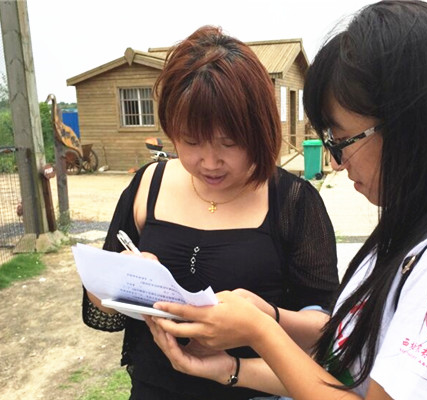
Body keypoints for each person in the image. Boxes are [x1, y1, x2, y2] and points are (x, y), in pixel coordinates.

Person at [145, 1, 427, 399]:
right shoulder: (421, 226)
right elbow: (347, 367)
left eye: (342, 140)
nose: (337, 163)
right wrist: (238, 356)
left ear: (410, 126)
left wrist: (260, 331)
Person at [81, 26, 340, 399]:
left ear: (260, 130)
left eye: (229, 143)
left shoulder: (294, 202)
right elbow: (102, 300)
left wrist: (265, 318)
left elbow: (325, 331)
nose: (210, 162)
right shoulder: (148, 184)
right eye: (191, 141)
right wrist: (122, 277)